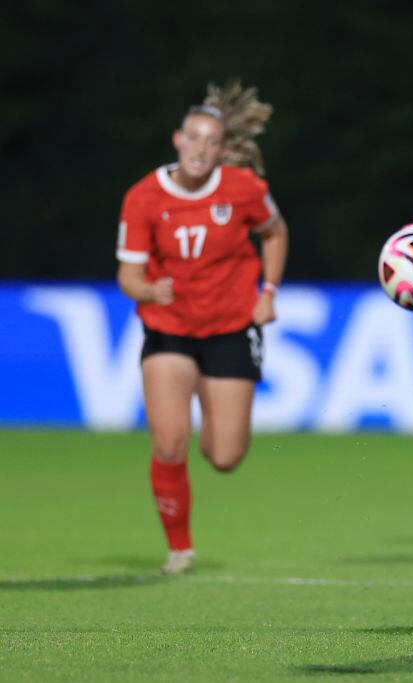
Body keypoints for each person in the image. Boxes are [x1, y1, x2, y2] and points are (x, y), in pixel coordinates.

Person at [115, 82, 288, 575]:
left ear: (221, 148)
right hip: (168, 329)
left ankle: (213, 459)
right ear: (177, 139)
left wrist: (268, 293)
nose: (199, 148)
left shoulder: (242, 189)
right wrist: (148, 291)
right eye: (193, 137)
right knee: (169, 442)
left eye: (210, 141)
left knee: (224, 455)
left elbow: (275, 231)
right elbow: (127, 275)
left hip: (231, 325)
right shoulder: (144, 197)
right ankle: (179, 549)